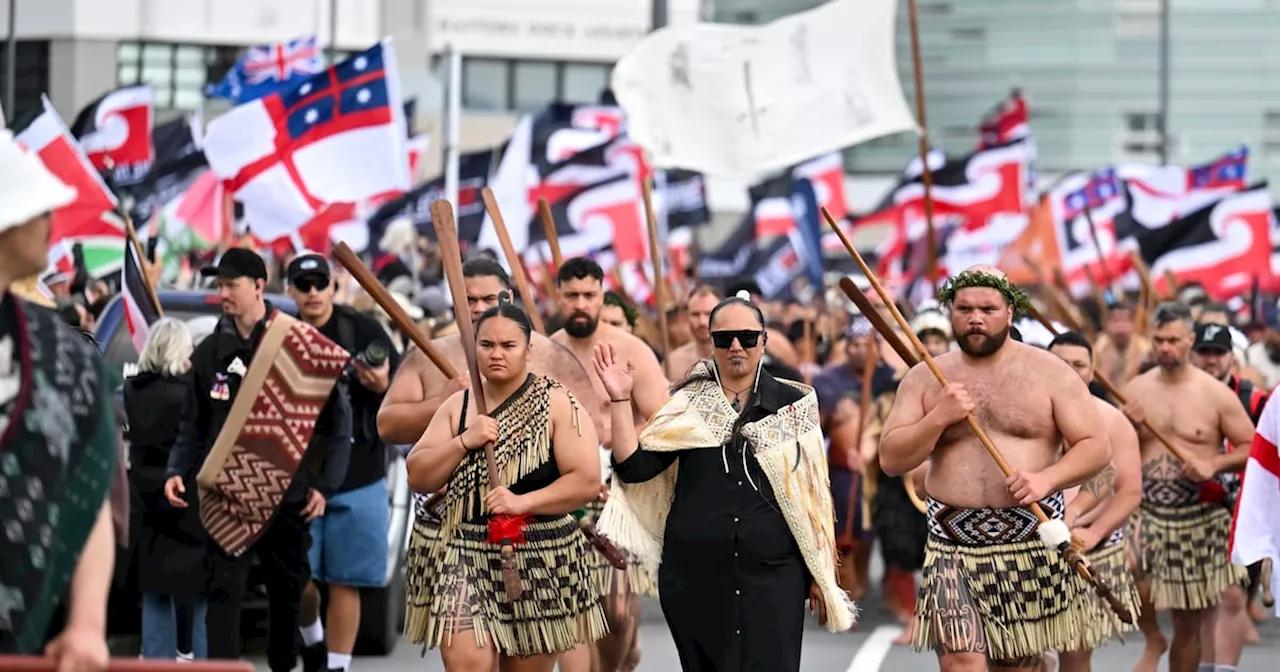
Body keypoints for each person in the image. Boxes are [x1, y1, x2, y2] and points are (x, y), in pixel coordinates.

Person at [594, 292, 855, 671]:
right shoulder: (686, 403)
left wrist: (820, 572)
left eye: (747, 337)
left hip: (773, 575)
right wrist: (620, 400)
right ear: (711, 342)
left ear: (764, 339)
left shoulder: (793, 403)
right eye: (724, 338)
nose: (736, 346)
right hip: (695, 577)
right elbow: (634, 468)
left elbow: (812, 493)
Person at [878, 266, 1115, 671]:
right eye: (965, 308)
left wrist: (1046, 479)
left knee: (1015, 665)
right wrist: (938, 417)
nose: (975, 318)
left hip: (1026, 541)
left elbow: (1096, 449)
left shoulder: (1050, 372)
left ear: (1009, 312)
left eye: (987, 308)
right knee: (959, 661)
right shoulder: (924, 378)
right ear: (950, 312)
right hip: (952, 545)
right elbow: (891, 459)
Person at [381, 258, 609, 661]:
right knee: (467, 662)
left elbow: (586, 480)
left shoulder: (557, 402)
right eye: (486, 345)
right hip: (466, 548)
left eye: (508, 346)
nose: (496, 354)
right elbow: (417, 473)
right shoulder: (459, 405)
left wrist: (523, 503)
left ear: (528, 348)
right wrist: (463, 442)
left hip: (542, 549)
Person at [163, 248, 354, 671]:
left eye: (230, 285)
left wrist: (325, 486)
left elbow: (338, 426)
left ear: (258, 286)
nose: (223, 293)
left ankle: (285, 666)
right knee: (222, 594)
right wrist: (177, 470)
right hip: (225, 494)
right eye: (219, 286)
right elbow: (192, 423)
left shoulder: (300, 346)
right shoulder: (210, 350)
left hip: (288, 495)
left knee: (286, 596)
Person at [0, 128, 115, 670]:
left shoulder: (65, 358)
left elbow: (86, 498)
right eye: (38, 208)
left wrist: (87, 624)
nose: (53, 224)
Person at [1119, 302, 1255, 672]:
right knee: (1126, 569)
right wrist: (1127, 426)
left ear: (1190, 341)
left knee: (1187, 622)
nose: (1165, 348)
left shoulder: (1215, 394)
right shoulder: (1136, 388)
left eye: (1173, 340)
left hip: (1198, 516)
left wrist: (1213, 463)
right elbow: (1113, 448)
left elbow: (1251, 448)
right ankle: (1151, 637)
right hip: (1146, 511)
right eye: (1159, 340)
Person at [283, 254, 401, 672]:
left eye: (320, 283)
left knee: (345, 580)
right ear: (290, 290)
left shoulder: (363, 329)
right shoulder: (281, 334)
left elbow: (400, 402)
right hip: (297, 478)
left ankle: (337, 666)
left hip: (359, 474)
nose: (313, 292)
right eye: (304, 284)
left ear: (333, 287)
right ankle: (313, 640)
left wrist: (381, 385)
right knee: (298, 579)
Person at [552, 257, 670, 670]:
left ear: (602, 296)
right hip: (562, 495)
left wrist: (622, 450)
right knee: (569, 610)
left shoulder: (632, 350)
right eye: (572, 296)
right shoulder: (541, 353)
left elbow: (661, 422)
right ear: (558, 297)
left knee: (616, 614)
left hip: (618, 493)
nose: (580, 304)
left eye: (589, 295)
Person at [1045, 331, 1143, 671]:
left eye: (1079, 365)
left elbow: (1128, 488)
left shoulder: (1112, 420)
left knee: (1076, 650)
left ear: (1092, 371)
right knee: (1024, 652)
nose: (1070, 371)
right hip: (1032, 540)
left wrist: (1095, 531)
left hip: (1088, 544)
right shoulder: (1028, 415)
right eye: (1061, 363)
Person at [124, 319, 209, 661]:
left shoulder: (132, 391)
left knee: (155, 592)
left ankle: (157, 661)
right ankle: (204, 664)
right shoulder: (187, 395)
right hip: (185, 499)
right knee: (201, 593)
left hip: (146, 500)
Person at [1187, 321, 1268, 671]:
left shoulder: (1254, 399)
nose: (1210, 360)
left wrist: (1217, 462)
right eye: (1204, 353)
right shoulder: (1176, 394)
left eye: (1218, 353)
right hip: (1187, 510)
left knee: (1232, 596)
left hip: (1240, 511)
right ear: (1193, 355)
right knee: (1202, 602)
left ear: (1231, 358)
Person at [665, 286, 719, 379]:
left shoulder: (735, 356)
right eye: (695, 314)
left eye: (708, 313)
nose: (702, 321)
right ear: (687, 317)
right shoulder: (673, 362)